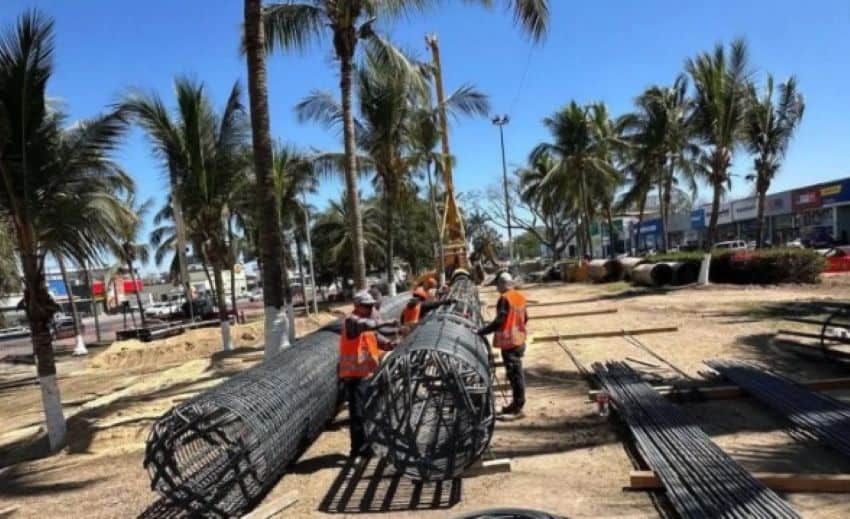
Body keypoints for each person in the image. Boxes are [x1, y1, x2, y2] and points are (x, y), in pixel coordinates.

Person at [339, 291, 398, 457]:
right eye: (367, 306)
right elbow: (365, 325)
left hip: (367, 374)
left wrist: (390, 344)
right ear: (357, 306)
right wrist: (385, 322)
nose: (371, 308)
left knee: (368, 410)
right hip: (354, 376)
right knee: (358, 413)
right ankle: (358, 449)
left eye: (372, 305)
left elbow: (376, 338)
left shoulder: (367, 323)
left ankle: (367, 445)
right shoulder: (352, 321)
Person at [477, 272, 528, 417]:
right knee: (515, 374)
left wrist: (481, 331)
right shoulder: (520, 296)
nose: (496, 288)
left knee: (515, 375)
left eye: (498, 284)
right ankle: (515, 405)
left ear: (504, 283)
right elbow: (525, 318)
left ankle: (518, 407)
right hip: (519, 339)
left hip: (509, 342)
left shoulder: (504, 299)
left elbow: (499, 321)